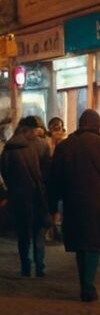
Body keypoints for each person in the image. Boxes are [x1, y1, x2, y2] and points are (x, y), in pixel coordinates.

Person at [47, 109, 100, 302]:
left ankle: (84, 282)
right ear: (97, 125)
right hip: (98, 202)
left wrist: (54, 206)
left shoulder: (64, 147)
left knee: (81, 244)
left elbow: (54, 180)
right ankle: (88, 284)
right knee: (93, 244)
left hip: (73, 202)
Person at [0, 116, 53, 277]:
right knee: (38, 232)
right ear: (31, 129)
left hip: (19, 196)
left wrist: (13, 188)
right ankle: (40, 266)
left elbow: (4, 171)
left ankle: (25, 266)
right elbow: (47, 172)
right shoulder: (42, 145)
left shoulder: (9, 147)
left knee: (23, 233)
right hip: (38, 194)